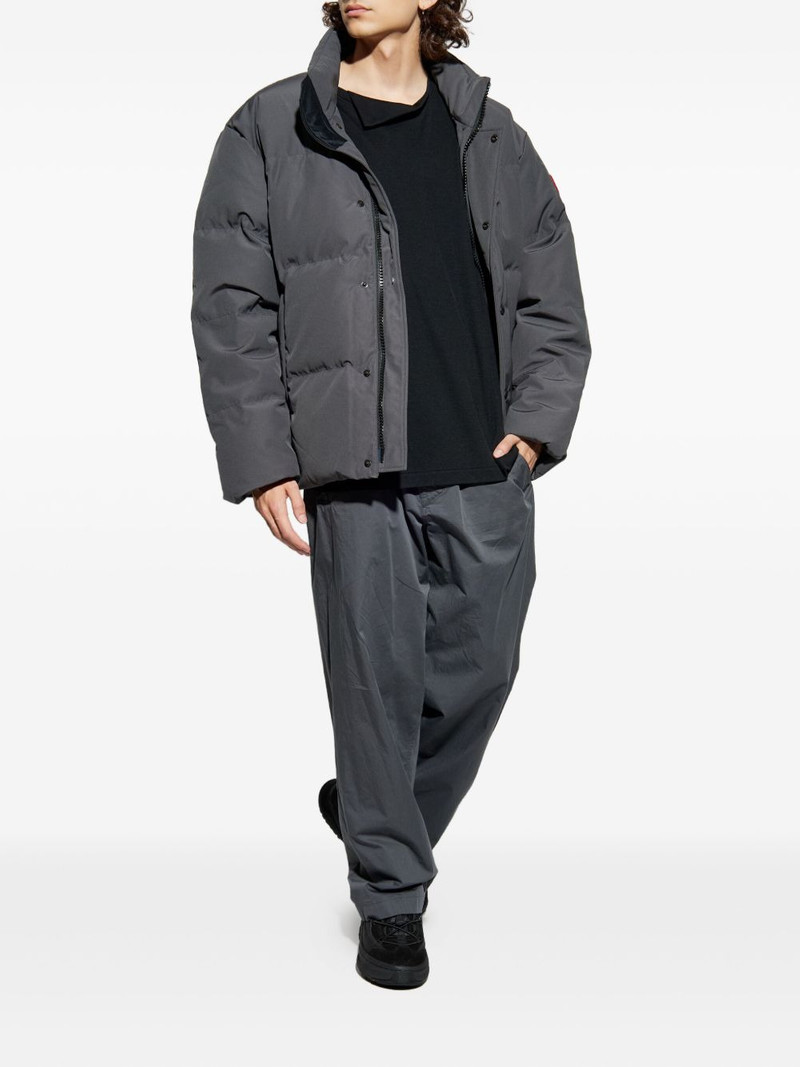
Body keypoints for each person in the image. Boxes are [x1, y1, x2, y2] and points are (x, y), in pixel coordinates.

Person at [191, 0, 591, 990]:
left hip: (482, 457)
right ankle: (390, 896)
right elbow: (232, 306)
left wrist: (537, 420)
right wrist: (262, 457)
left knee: (482, 670)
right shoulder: (270, 127)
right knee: (374, 692)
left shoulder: (489, 130)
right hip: (352, 468)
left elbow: (549, 281)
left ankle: (374, 807)